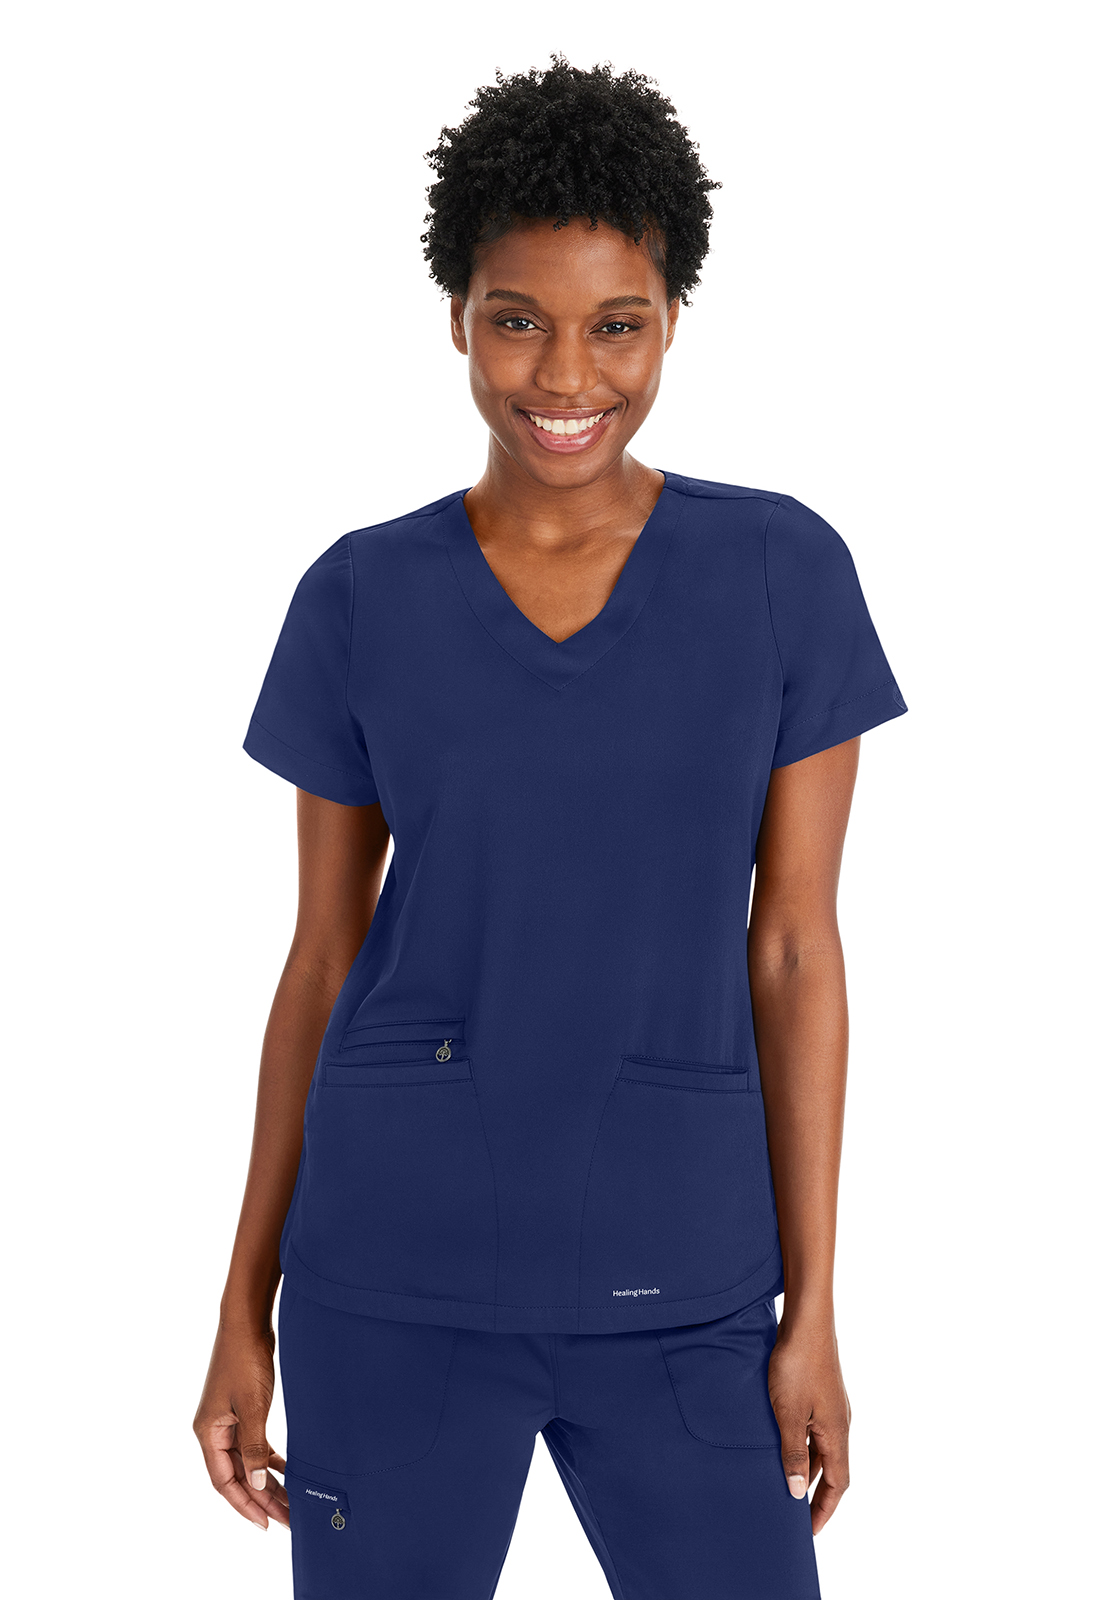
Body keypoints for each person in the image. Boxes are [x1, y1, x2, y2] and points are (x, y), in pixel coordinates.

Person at [194, 57, 908, 1600]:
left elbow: (795, 948)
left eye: (617, 325)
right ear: (458, 315)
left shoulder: (779, 573)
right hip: (390, 1275)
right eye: (518, 319)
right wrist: (242, 1305)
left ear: (672, 322)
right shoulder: (359, 595)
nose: (566, 373)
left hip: (687, 1275)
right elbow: (322, 962)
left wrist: (814, 1308)